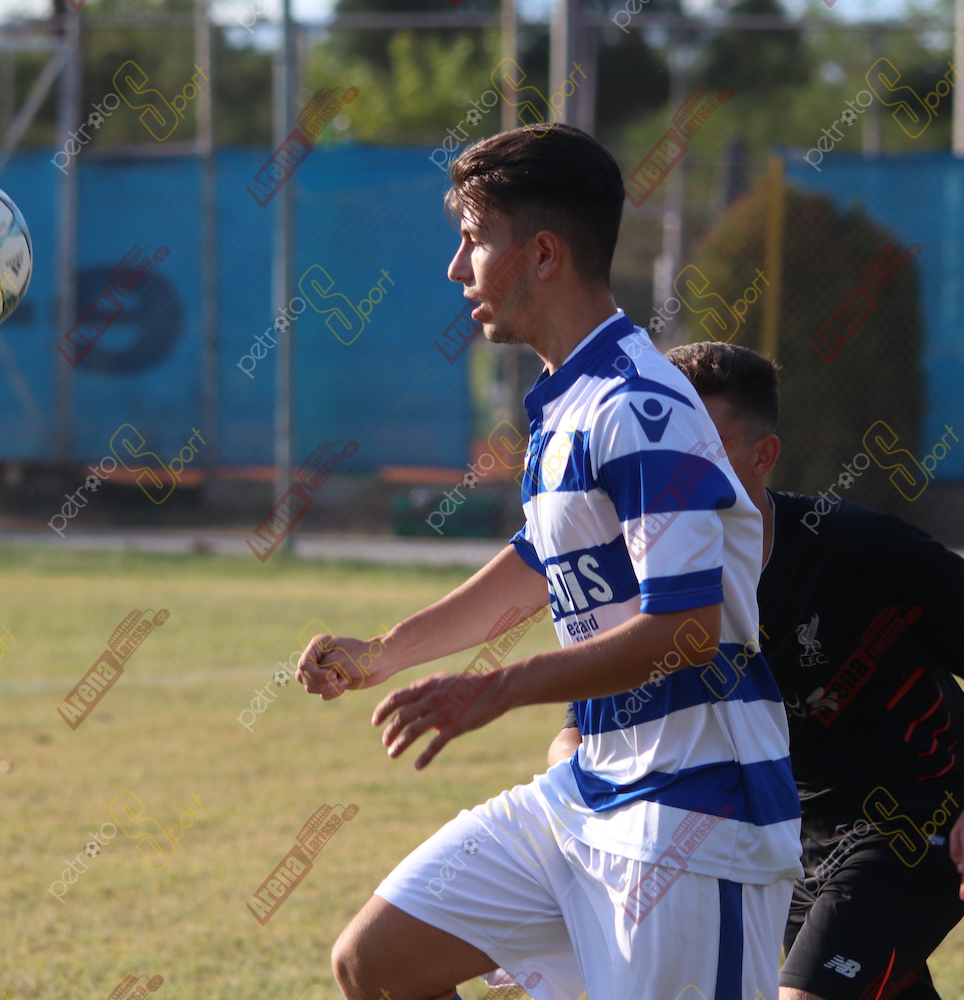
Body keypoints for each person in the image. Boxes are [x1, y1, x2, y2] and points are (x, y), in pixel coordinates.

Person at [296, 122, 801, 1000]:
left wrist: (497, 689)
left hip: (694, 814)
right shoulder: (568, 401)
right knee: (377, 962)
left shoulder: (638, 407)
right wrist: (384, 653)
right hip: (587, 789)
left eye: (473, 239)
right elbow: (539, 562)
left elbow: (686, 629)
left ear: (541, 254)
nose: (456, 268)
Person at [548, 341, 964, 1000]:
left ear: (763, 456)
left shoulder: (855, 547)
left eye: (699, 446)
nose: (671, 467)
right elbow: (582, 731)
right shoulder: (649, 580)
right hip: (784, 839)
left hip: (912, 815)